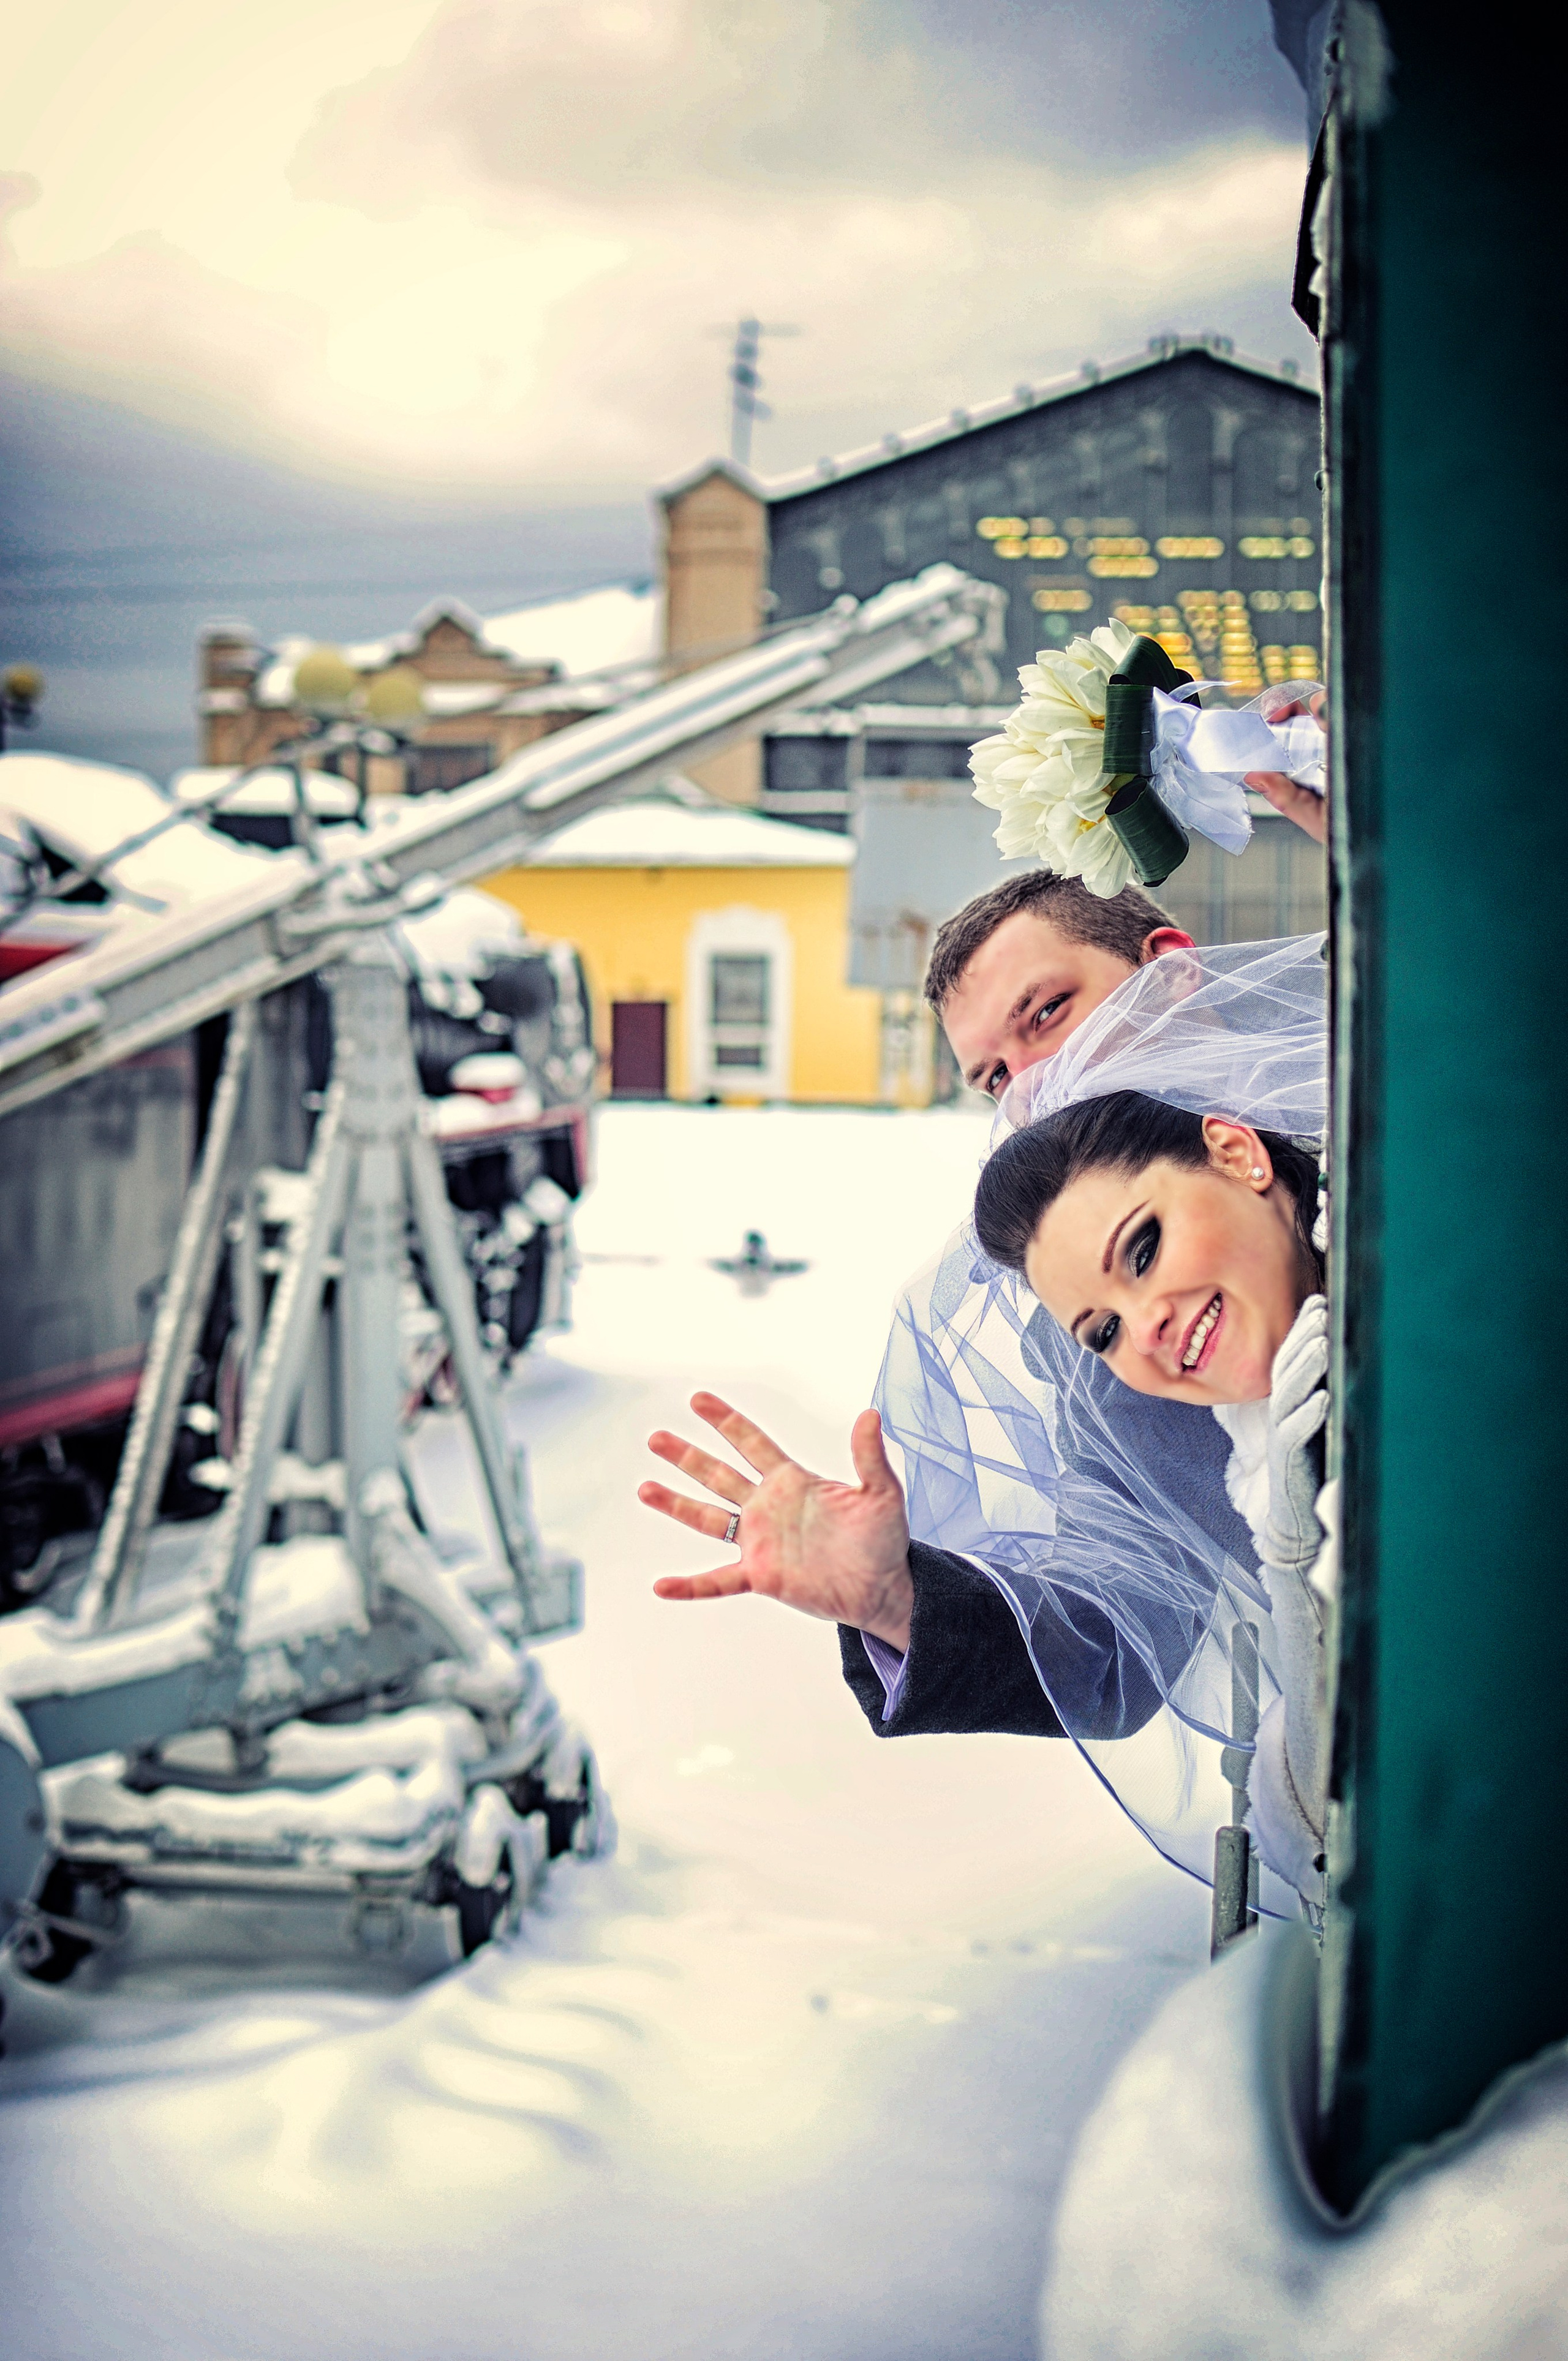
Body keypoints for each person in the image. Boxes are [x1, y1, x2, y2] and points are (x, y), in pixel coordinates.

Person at [641, 933, 1333, 1913]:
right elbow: (1112, 1634)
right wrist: (897, 1603)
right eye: (995, 1078)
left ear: (1173, 973)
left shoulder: (1413, 1123)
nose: (1036, 1090)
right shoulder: (1120, 1359)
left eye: (1048, 1016)